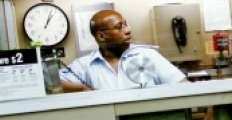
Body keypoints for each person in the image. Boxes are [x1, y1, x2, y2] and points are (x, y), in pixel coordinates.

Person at [60, 10, 188, 92]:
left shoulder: (147, 55)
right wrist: (81, 88)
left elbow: (182, 83)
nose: (127, 31)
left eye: (126, 25)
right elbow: (52, 86)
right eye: (119, 27)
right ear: (101, 36)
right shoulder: (85, 65)